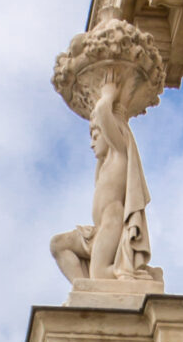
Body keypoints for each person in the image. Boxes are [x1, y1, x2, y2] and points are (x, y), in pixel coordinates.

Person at [49, 80, 152, 286]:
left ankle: (127, 268)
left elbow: (105, 116)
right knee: (58, 245)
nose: (91, 143)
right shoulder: (103, 165)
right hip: (96, 230)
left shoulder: (120, 153)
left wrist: (107, 96)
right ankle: (84, 289)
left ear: (109, 133)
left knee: (101, 275)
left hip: (112, 223)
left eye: (96, 136)